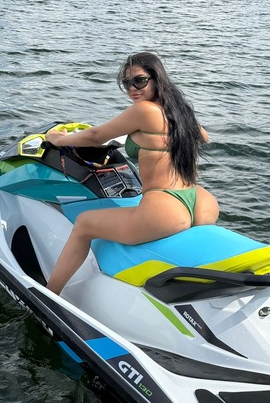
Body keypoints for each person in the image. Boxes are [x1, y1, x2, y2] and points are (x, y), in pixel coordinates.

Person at [45, 51, 219, 294]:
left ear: (157, 79)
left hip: (166, 209)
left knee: (84, 224)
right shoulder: (178, 110)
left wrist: (59, 140)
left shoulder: (144, 110)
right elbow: (203, 137)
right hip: (199, 201)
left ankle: (49, 293)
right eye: (127, 83)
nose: (132, 89)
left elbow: (95, 136)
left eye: (139, 80)